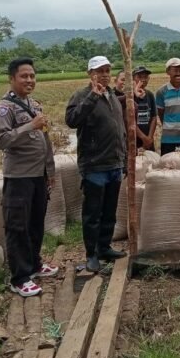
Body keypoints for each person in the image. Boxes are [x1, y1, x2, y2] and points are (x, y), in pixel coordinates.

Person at [0, 58, 58, 297]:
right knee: (17, 226)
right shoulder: (4, 108)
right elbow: (0, 141)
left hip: (38, 175)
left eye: (32, 76)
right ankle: (19, 278)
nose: (30, 80)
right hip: (18, 177)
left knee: (35, 223)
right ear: (12, 78)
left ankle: (35, 265)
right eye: (24, 76)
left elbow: (45, 140)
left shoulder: (35, 105)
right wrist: (29, 126)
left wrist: (50, 172)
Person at [65, 55, 127, 272]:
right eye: (99, 71)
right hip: (94, 164)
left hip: (114, 163)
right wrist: (92, 97)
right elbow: (72, 120)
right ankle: (91, 254)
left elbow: (120, 129)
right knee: (92, 213)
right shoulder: (81, 95)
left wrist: (124, 159)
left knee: (109, 210)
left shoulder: (112, 95)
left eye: (107, 71)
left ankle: (104, 247)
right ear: (90, 74)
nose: (104, 75)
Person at [124, 66, 158, 150]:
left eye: (145, 77)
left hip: (148, 139)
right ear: (132, 79)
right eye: (139, 77)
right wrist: (143, 138)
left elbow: (153, 117)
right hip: (133, 140)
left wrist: (149, 137)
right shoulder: (129, 96)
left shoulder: (150, 95)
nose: (143, 79)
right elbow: (129, 120)